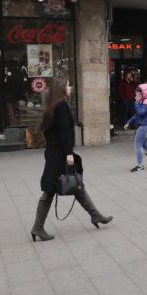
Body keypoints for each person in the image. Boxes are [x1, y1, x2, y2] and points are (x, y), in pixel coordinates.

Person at [32, 76, 113, 241]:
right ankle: (37, 227)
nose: (71, 88)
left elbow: (50, 132)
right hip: (59, 155)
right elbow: (64, 132)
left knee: (76, 184)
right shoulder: (61, 106)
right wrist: (69, 154)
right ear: (61, 88)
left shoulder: (52, 105)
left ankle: (95, 215)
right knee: (49, 191)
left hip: (55, 153)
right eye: (68, 86)